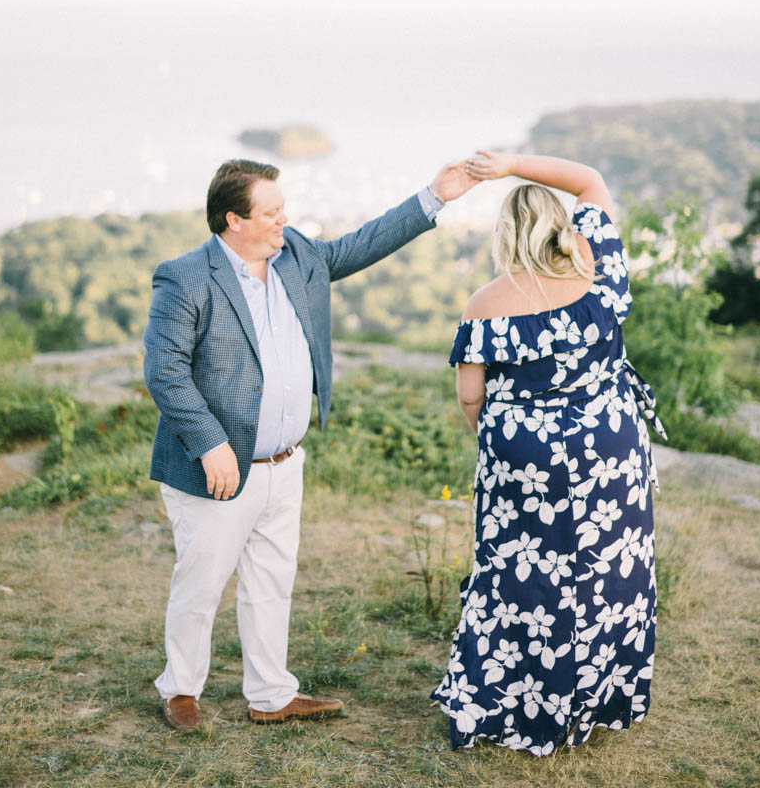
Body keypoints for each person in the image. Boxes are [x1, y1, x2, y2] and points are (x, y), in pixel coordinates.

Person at [144, 156, 478, 731]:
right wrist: (209, 443)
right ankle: (180, 690)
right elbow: (164, 369)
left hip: (284, 462)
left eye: (282, 210)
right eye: (270, 213)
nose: (283, 220)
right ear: (234, 220)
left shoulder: (296, 255)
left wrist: (435, 196)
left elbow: (361, 244)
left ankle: (271, 694)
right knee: (201, 583)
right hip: (219, 467)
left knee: (273, 582)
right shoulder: (186, 277)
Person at [432, 151, 666, 756]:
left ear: (505, 236)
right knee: (609, 571)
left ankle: (511, 696)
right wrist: (509, 165)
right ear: (562, 228)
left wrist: (504, 445)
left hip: (521, 452)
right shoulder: (602, 278)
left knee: (518, 576)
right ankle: (597, 697)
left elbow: (469, 398)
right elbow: (591, 179)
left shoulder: (483, 303)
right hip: (609, 447)